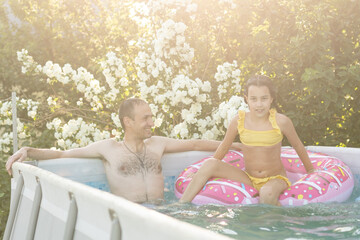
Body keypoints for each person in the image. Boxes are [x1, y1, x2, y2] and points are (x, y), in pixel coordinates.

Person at [6, 98, 242, 204]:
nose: (152, 122)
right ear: (127, 121)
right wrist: (28, 149)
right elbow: (62, 155)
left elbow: (196, 144)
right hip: (130, 215)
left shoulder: (157, 144)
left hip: (165, 211)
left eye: (151, 117)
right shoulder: (109, 149)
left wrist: (240, 146)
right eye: (145, 118)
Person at [179, 75, 315, 206]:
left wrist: (310, 171)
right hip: (249, 177)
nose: (259, 104)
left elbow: (297, 145)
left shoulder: (281, 121)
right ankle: (181, 205)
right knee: (210, 163)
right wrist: (200, 173)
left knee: (266, 193)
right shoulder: (238, 121)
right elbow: (224, 147)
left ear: (271, 99)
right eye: (254, 99)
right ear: (246, 99)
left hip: (275, 179)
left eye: (264, 98)